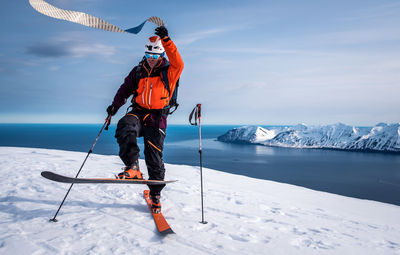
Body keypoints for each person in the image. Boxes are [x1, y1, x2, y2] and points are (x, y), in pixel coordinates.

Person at [106, 26, 184, 213]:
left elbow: (179, 63)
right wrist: (116, 105)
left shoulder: (170, 71)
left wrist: (166, 39)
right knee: (125, 126)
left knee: (154, 156)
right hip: (139, 111)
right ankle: (132, 166)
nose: (151, 59)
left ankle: (156, 195)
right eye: (148, 55)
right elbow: (125, 88)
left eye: (155, 56)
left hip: (158, 116)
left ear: (161, 56)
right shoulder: (139, 70)